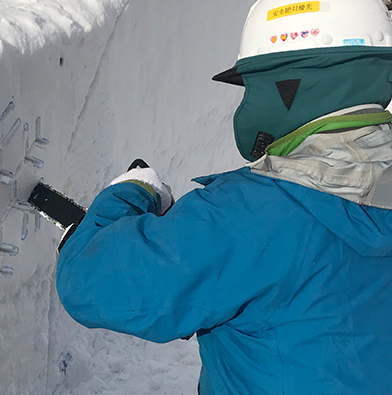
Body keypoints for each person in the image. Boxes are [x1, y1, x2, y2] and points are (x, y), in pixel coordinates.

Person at [55, 0, 392, 393]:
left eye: (251, 86)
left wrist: (129, 194)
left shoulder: (249, 214)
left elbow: (91, 284)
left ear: (289, 85)